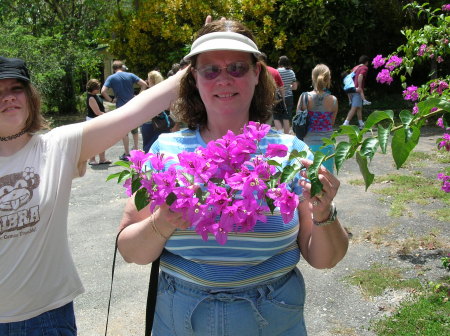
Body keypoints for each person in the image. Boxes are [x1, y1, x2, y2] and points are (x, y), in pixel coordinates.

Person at [117, 20, 349, 336]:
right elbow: (131, 252)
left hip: (272, 315)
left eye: (237, 67)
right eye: (210, 70)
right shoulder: (163, 151)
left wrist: (325, 214)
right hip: (180, 318)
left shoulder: (290, 153)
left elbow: (325, 258)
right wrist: (163, 222)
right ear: (194, 79)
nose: (224, 79)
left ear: (257, 74)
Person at [0, 55, 184, 334]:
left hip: (45, 318)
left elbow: (135, 110)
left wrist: (206, 52)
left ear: (29, 96)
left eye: (16, 89)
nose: (8, 97)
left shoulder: (57, 147)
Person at [101, 60, 148, 161]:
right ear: (122, 67)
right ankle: (136, 150)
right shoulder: (130, 75)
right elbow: (144, 84)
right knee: (135, 130)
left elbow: (103, 91)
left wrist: (111, 100)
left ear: (113, 69)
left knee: (124, 132)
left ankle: (127, 153)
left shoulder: (111, 78)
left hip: (121, 107)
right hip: (133, 106)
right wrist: (138, 97)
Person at [297, 64, 338, 173]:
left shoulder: (304, 97)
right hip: (327, 146)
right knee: (326, 180)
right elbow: (331, 123)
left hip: (308, 144)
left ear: (313, 78)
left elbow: (297, 121)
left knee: (308, 180)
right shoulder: (333, 100)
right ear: (328, 79)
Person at [141, 70, 173, 152]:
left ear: (151, 80)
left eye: (148, 79)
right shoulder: (165, 92)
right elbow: (170, 108)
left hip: (148, 123)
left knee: (148, 150)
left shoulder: (146, 93)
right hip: (162, 123)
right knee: (162, 149)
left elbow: (141, 108)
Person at [260, 52, 289, 134]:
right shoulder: (274, 71)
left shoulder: (256, 71)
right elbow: (281, 87)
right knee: (278, 116)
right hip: (273, 96)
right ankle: (283, 134)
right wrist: (283, 99)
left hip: (259, 97)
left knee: (262, 117)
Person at [85, 79, 111, 165]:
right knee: (94, 141)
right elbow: (97, 112)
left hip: (99, 120)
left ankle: (102, 159)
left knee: (102, 140)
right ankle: (92, 159)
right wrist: (108, 115)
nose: (99, 89)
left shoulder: (96, 96)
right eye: (97, 87)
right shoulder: (91, 98)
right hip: (93, 121)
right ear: (92, 88)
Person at [342, 55, 371, 129]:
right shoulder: (364, 67)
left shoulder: (355, 67)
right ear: (366, 62)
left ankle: (361, 124)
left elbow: (349, 77)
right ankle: (346, 123)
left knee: (359, 107)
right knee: (354, 107)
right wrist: (359, 87)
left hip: (350, 90)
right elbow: (360, 75)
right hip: (356, 90)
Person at [277, 55, 298, 125]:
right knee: (286, 117)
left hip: (278, 97)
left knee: (277, 118)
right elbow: (295, 87)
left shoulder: (277, 71)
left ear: (279, 63)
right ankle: (286, 134)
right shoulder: (291, 72)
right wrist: (288, 87)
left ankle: (279, 134)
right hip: (289, 97)